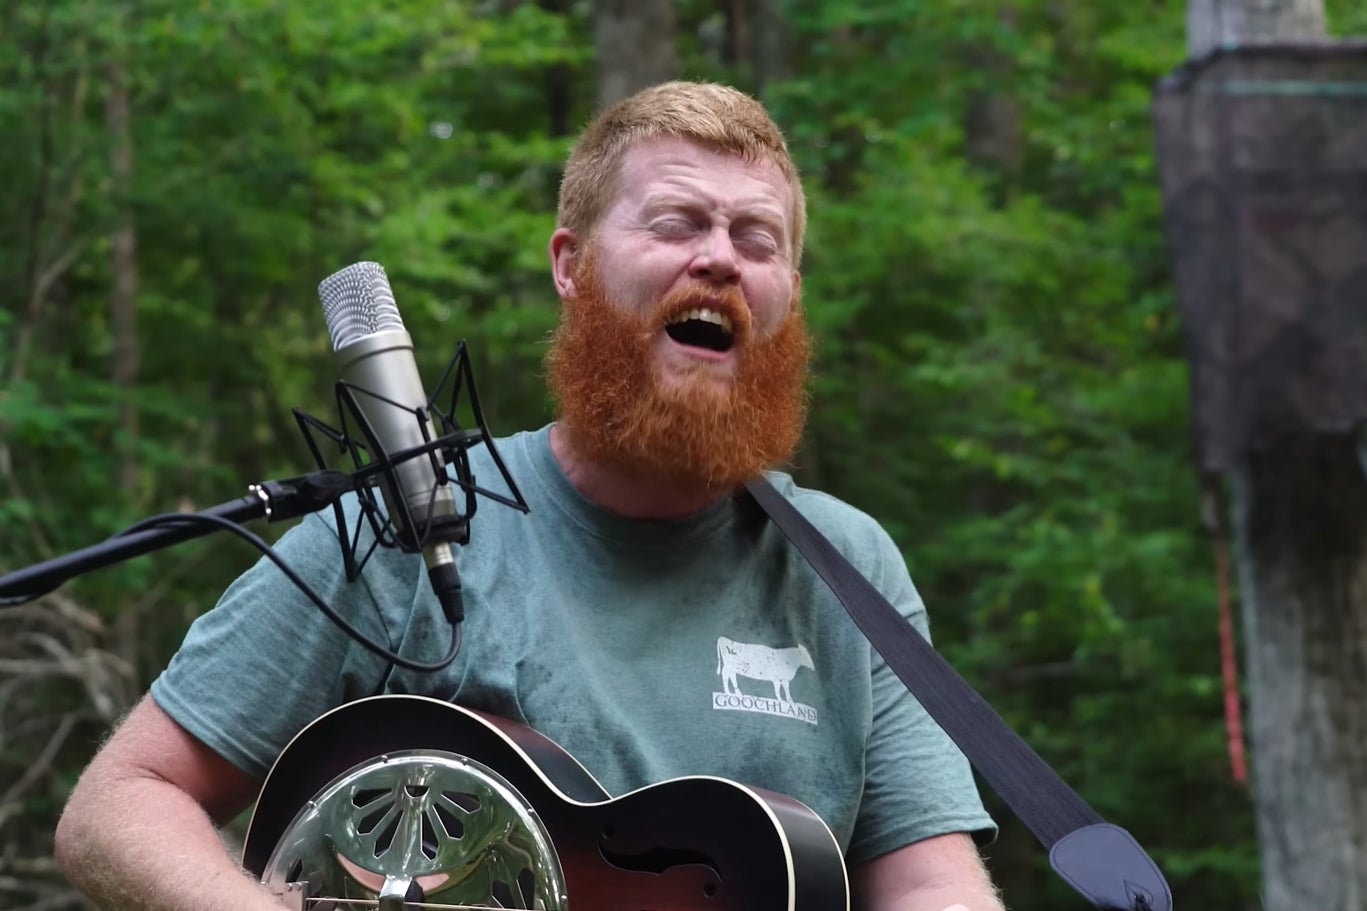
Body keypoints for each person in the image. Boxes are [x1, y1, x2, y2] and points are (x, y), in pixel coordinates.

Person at [54, 81, 1004, 911]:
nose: (720, 256)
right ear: (570, 264)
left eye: (757, 238)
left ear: (787, 293)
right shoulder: (404, 526)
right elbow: (121, 800)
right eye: (676, 222)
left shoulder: (850, 566)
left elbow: (928, 881)